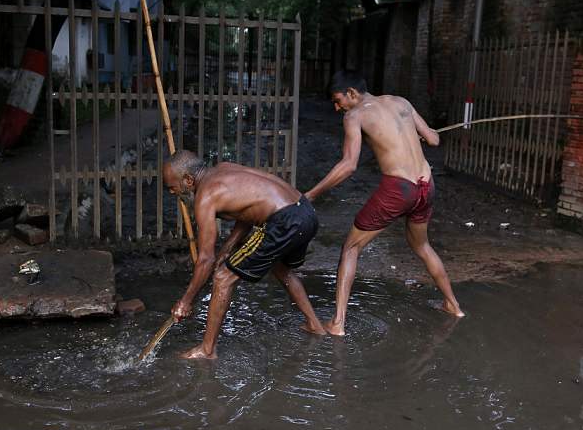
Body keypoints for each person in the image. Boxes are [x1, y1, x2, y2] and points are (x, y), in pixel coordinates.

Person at [305, 70, 464, 335]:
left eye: (338, 100)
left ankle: (337, 323)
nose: (337, 107)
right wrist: (426, 133)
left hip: (399, 189)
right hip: (426, 186)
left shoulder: (354, 115)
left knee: (351, 248)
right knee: (422, 245)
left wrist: (311, 194)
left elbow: (348, 165)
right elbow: (434, 139)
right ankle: (453, 304)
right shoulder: (401, 102)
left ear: (352, 93)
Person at [163, 150, 327, 359]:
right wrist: (227, 248)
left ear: (187, 180)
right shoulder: (224, 168)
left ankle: (207, 350)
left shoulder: (205, 196)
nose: (172, 192)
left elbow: (206, 259)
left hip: (285, 220)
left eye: (172, 187)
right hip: (305, 211)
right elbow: (248, 211)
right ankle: (314, 324)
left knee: (223, 278)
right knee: (279, 266)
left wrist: (185, 301)